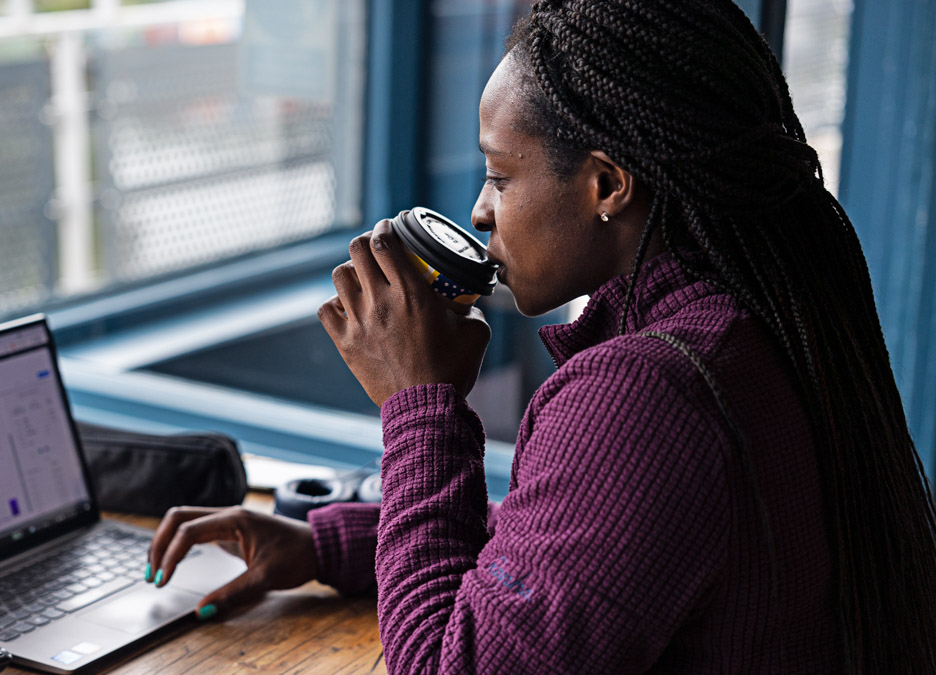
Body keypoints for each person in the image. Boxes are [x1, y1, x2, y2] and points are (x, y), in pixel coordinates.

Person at [145, 1, 936, 672]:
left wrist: (419, 405)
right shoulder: (746, 322)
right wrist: (336, 546)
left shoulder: (646, 395)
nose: (480, 210)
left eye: (500, 174)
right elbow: (587, 546)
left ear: (606, 184)